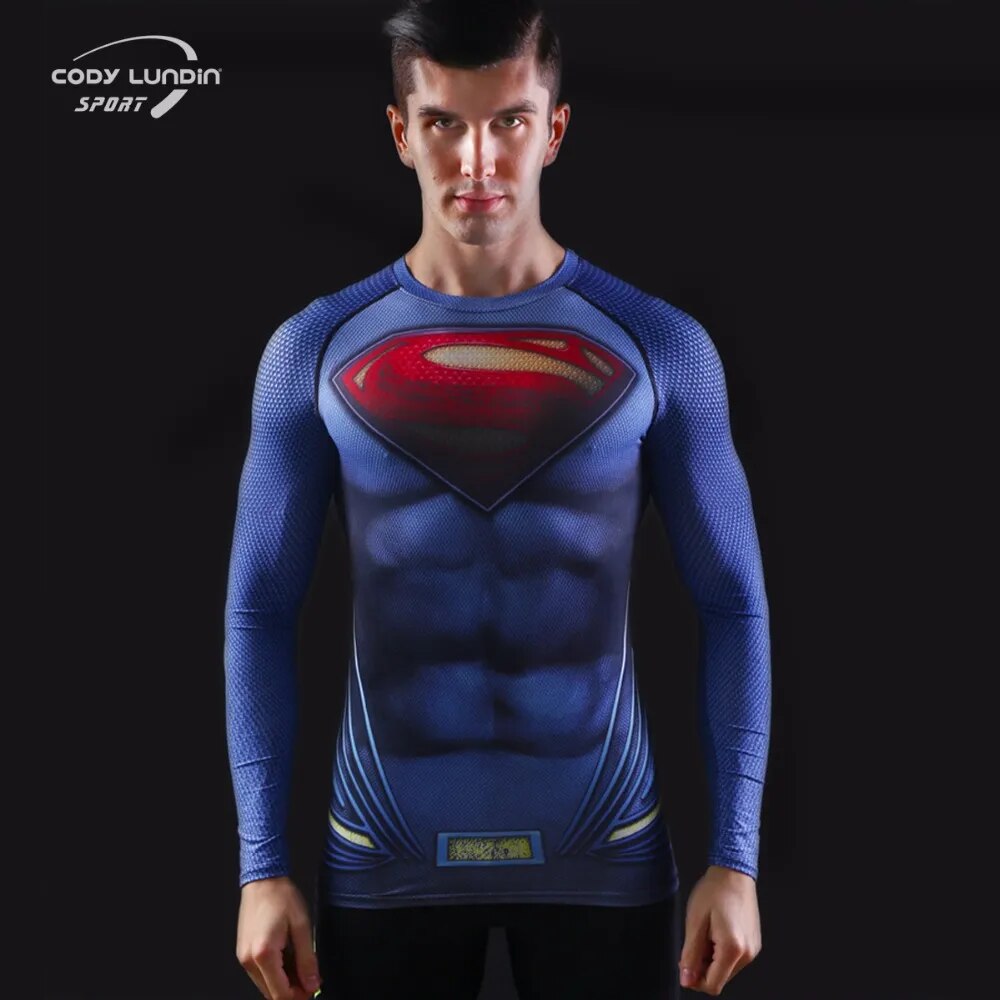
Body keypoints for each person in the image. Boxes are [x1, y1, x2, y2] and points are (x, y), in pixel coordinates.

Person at [223, 1, 771, 997]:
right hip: (384, 858)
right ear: (401, 132)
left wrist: (736, 858)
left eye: (508, 120)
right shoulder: (313, 351)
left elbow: (733, 601)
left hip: (605, 854)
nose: (477, 160)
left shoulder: (660, 347)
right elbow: (259, 607)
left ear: (553, 129)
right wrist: (261, 866)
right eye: (443, 122)